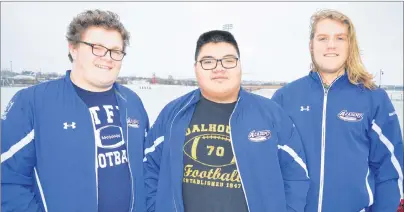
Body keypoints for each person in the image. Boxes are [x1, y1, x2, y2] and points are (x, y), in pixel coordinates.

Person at [143, 30, 309, 212]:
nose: (219, 68)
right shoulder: (173, 114)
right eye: (208, 62)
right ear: (196, 68)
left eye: (228, 60)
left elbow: (296, 175)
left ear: (239, 66)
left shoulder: (271, 114)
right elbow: (149, 167)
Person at [1, 9, 149, 212]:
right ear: (73, 49)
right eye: (97, 48)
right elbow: (7, 179)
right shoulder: (33, 102)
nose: (108, 58)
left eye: (116, 51)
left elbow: (147, 168)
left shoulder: (132, 102)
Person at [272, 9, 403, 212]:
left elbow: (389, 168)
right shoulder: (284, 97)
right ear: (311, 44)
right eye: (323, 38)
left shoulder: (373, 98)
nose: (331, 45)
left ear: (350, 45)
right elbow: (270, 166)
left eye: (340, 38)